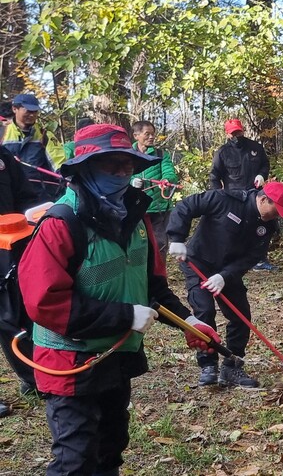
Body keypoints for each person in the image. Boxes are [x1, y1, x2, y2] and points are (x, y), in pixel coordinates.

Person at [18, 123, 221, 475]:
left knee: (110, 448)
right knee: (75, 459)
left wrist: (189, 321)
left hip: (116, 355)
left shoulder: (136, 220)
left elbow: (153, 287)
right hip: (70, 361)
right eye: (111, 164)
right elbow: (44, 302)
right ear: (85, 168)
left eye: (127, 164)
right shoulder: (60, 223)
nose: (122, 172)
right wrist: (124, 316)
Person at [167, 181, 283, 388]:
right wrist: (177, 238)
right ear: (264, 199)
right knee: (204, 311)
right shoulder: (225, 199)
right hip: (199, 262)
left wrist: (224, 276)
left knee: (241, 315)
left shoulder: (268, 225)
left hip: (228, 271)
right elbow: (186, 206)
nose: (277, 216)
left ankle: (232, 366)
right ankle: (208, 365)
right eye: (276, 210)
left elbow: (253, 256)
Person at [0, 142, 50, 417]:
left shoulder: (3, 156)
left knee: (13, 313)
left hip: (9, 246)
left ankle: (34, 378)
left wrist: (34, 219)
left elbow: (26, 195)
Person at [209, 118, 274, 271]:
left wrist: (262, 175)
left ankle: (259, 260)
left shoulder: (255, 147)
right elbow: (214, 176)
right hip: (234, 197)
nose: (236, 136)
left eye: (238, 132)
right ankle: (232, 259)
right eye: (233, 133)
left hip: (255, 196)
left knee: (261, 227)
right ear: (227, 134)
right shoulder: (222, 152)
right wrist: (218, 196)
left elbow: (265, 164)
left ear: (243, 130)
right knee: (233, 229)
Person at [129, 121, 178, 262]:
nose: (151, 137)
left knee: (160, 245)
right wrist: (132, 181)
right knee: (137, 245)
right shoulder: (128, 155)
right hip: (135, 209)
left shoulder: (161, 155)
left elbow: (169, 172)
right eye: (147, 134)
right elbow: (121, 175)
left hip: (159, 208)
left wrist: (166, 180)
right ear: (136, 135)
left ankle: (158, 272)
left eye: (153, 134)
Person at [1, 94, 62, 202]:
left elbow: (59, 163)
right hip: (8, 195)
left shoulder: (45, 136)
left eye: (35, 111)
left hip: (39, 197)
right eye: (28, 111)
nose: (32, 115)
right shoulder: (2, 134)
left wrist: (66, 177)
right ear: (15, 109)